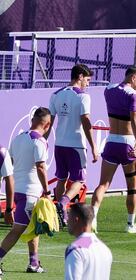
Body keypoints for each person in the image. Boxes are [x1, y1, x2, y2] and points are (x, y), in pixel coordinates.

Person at [91, 66, 136, 234]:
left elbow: (120, 102)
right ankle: (130, 224)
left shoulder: (109, 89)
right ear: (133, 78)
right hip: (128, 143)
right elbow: (134, 117)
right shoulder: (134, 95)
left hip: (112, 141)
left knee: (103, 184)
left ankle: (92, 219)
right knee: (132, 187)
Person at [0, 107, 52, 274]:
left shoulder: (18, 139)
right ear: (47, 124)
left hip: (18, 191)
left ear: (32, 120)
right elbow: (41, 167)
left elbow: (11, 163)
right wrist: (47, 190)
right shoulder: (40, 141)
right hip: (31, 191)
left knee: (34, 224)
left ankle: (34, 263)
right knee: (18, 229)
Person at [48, 64, 98, 226]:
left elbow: (49, 121)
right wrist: (93, 146)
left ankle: (58, 215)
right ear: (80, 77)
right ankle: (63, 203)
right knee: (79, 180)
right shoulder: (83, 97)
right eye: (87, 80)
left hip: (60, 144)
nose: (88, 84)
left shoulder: (56, 95)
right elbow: (86, 121)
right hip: (76, 144)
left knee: (61, 179)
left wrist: (44, 141)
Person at [65, 203, 112, 280]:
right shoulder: (105, 249)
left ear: (76, 220)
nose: (67, 221)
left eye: (69, 218)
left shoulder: (76, 250)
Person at [0, 145, 14, 226]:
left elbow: (9, 180)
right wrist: (9, 209)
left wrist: (9, 209)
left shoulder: (2, 152)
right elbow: (9, 180)